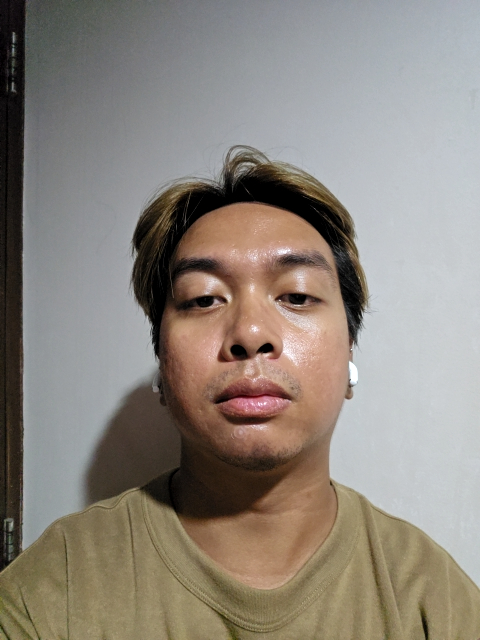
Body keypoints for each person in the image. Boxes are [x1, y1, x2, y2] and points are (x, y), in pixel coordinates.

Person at [1, 147, 479, 639]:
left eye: (297, 296)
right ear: (162, 359)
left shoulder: (432, 600)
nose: (250, 333)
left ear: (349, 348)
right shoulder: (54, 589)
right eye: (203, 298)